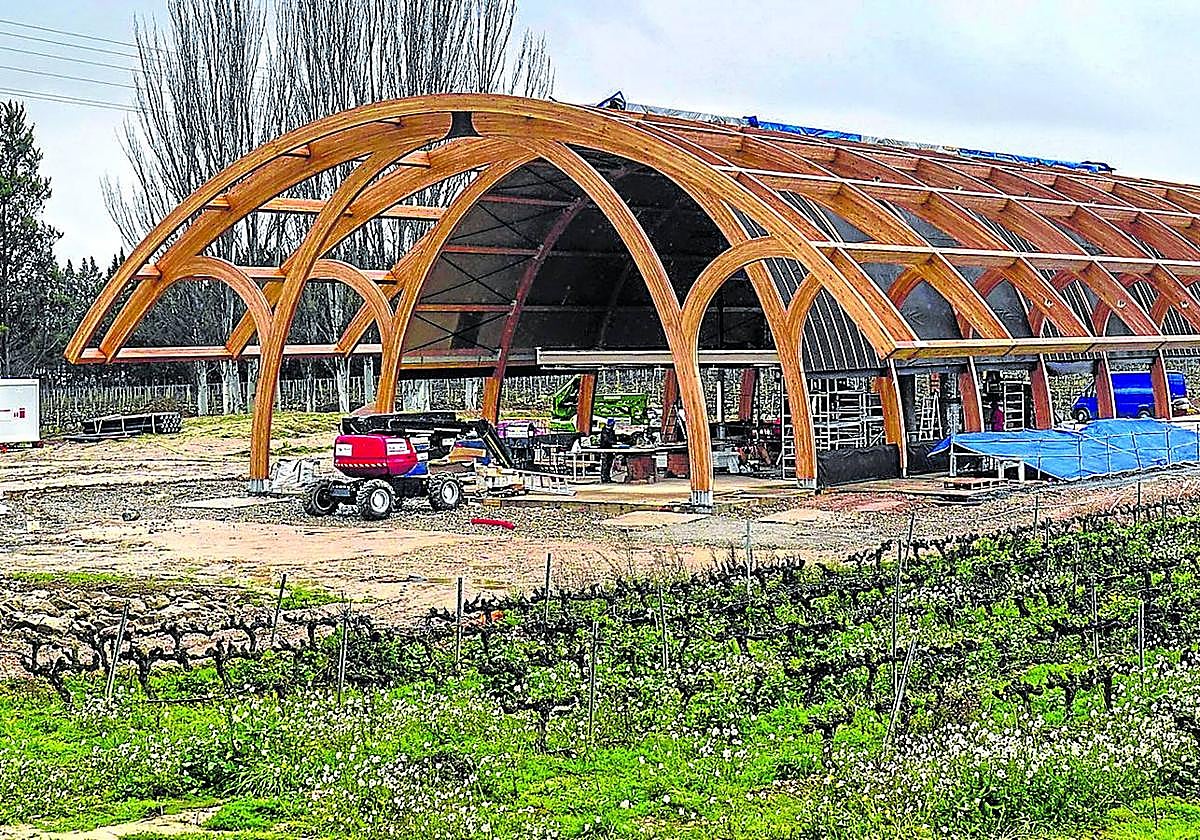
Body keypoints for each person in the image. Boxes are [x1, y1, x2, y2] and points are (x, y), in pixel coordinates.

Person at [598, 417, 618, 483]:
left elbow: (614, 439)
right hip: (605, 449)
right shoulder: (604, 430)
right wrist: (614, 442)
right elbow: (607, 440)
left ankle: (608, 477)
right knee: (605, 463)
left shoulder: (611, 431)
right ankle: (604, 477)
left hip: (610, 449)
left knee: (609, 463)